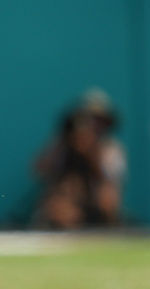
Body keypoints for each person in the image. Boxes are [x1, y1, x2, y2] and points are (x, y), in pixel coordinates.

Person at [30, 89, 125, 230]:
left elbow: (109, 185)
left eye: (98, 121)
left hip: (95, 201)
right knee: (59, 203)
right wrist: (64, 143)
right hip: (69, 202)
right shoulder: (63, 146)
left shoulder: (111, 149)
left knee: (107, 199)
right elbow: (39, 170)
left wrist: (90, 153)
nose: (92, 126)